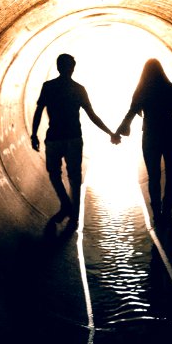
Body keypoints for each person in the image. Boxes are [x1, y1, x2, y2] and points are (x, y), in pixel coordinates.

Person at [31, 53, 120, 221]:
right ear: (72, 68)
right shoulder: (78, 89)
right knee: (75, 176)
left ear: (59, 67)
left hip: (54, 138)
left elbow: (39, 111)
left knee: (54, 173)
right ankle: (74, 214)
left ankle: (66, 205)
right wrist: (110, 133)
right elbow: (92, 115)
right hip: (73, 138)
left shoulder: (49, 87)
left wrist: (34, 134)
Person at [116, 58, 172, 225]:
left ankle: (156, 212)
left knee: (153, 176)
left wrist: (119, 131)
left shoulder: (142, 90)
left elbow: (131, 113)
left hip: (151, 135)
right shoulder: (171, 88)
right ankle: (167, 209)